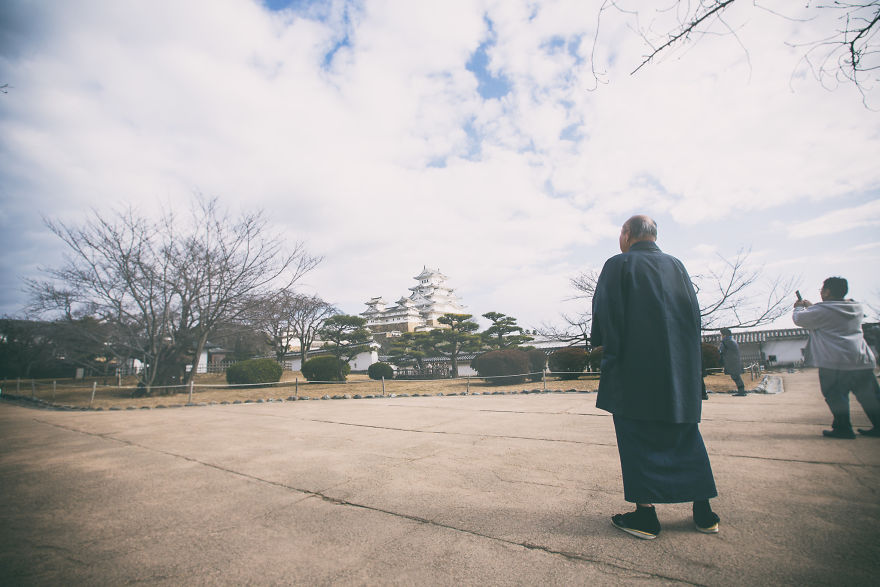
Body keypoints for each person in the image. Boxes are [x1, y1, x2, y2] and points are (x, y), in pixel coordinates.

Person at [591, 215, 718, 540]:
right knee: (685, 436)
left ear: (627, 234)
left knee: (637, 439)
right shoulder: (677, 265)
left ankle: (646, 516)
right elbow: (693, 316)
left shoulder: (618, 264)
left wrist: (608, 352)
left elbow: (606, 312)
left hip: (635, 368)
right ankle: (703, 513)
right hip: (679, 369)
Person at [792, 277, 880, 439]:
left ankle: (843, 428)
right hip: (861, 359)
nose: (821, 292)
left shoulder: (821, 311)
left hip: (834, 361)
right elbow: (831, 314)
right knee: (869, 396)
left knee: (836, 396)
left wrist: (798, 308)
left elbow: (800, 319)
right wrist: (812, 307)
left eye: (822, 289)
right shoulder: (856, 307)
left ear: (827, 292)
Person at [719, 328, 747, 396]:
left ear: (724, 335)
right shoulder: (733, 340)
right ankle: (742, 391)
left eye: (721, 334)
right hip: (736, 361)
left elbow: (721, 351)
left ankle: (741, 391)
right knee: (737, 376)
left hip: (730, 362)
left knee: (735, 377)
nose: (721, 336)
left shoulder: (725, 341)